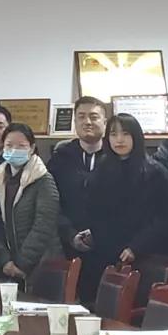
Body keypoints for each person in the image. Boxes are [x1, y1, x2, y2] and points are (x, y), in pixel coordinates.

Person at [76, 114, 168, 305]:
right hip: (105, 254)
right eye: (113, 134)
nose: (119, 140)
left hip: (143, 255)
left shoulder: (154, 171)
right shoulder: (102, 168)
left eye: (125, 134)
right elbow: (93, 209)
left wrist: (136, 246)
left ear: (136, 136)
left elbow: (165, 216)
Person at [0, 123, 62, 289]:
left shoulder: (43, 179)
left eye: (21, 146)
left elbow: (44, 225)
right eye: (9, 145)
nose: (14, 150)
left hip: (42, 266)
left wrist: (21, 263)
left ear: (32, 148)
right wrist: (5, 260)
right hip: (9, 267)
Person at [47, 96, 108, 257]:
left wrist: (99, 232)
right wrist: (70, 234)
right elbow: (51, 202)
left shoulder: (116, 156)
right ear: (74, 122)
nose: (87, 122)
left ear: (105, 122)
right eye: (81, 117)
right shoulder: (60, 157)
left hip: (110, 244)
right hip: (68, 245)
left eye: (94, 117)